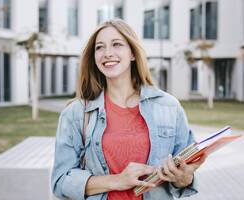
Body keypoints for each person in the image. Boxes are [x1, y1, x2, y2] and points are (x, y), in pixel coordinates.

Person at [51, 19, 206, 200]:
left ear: (133, 53)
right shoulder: (76, 113)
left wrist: (185, 178)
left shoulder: (169, 107)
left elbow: (184, 176)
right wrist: (117, 181)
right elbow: (60, 182)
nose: (107, 53)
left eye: (117, 44)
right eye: (99, 47)